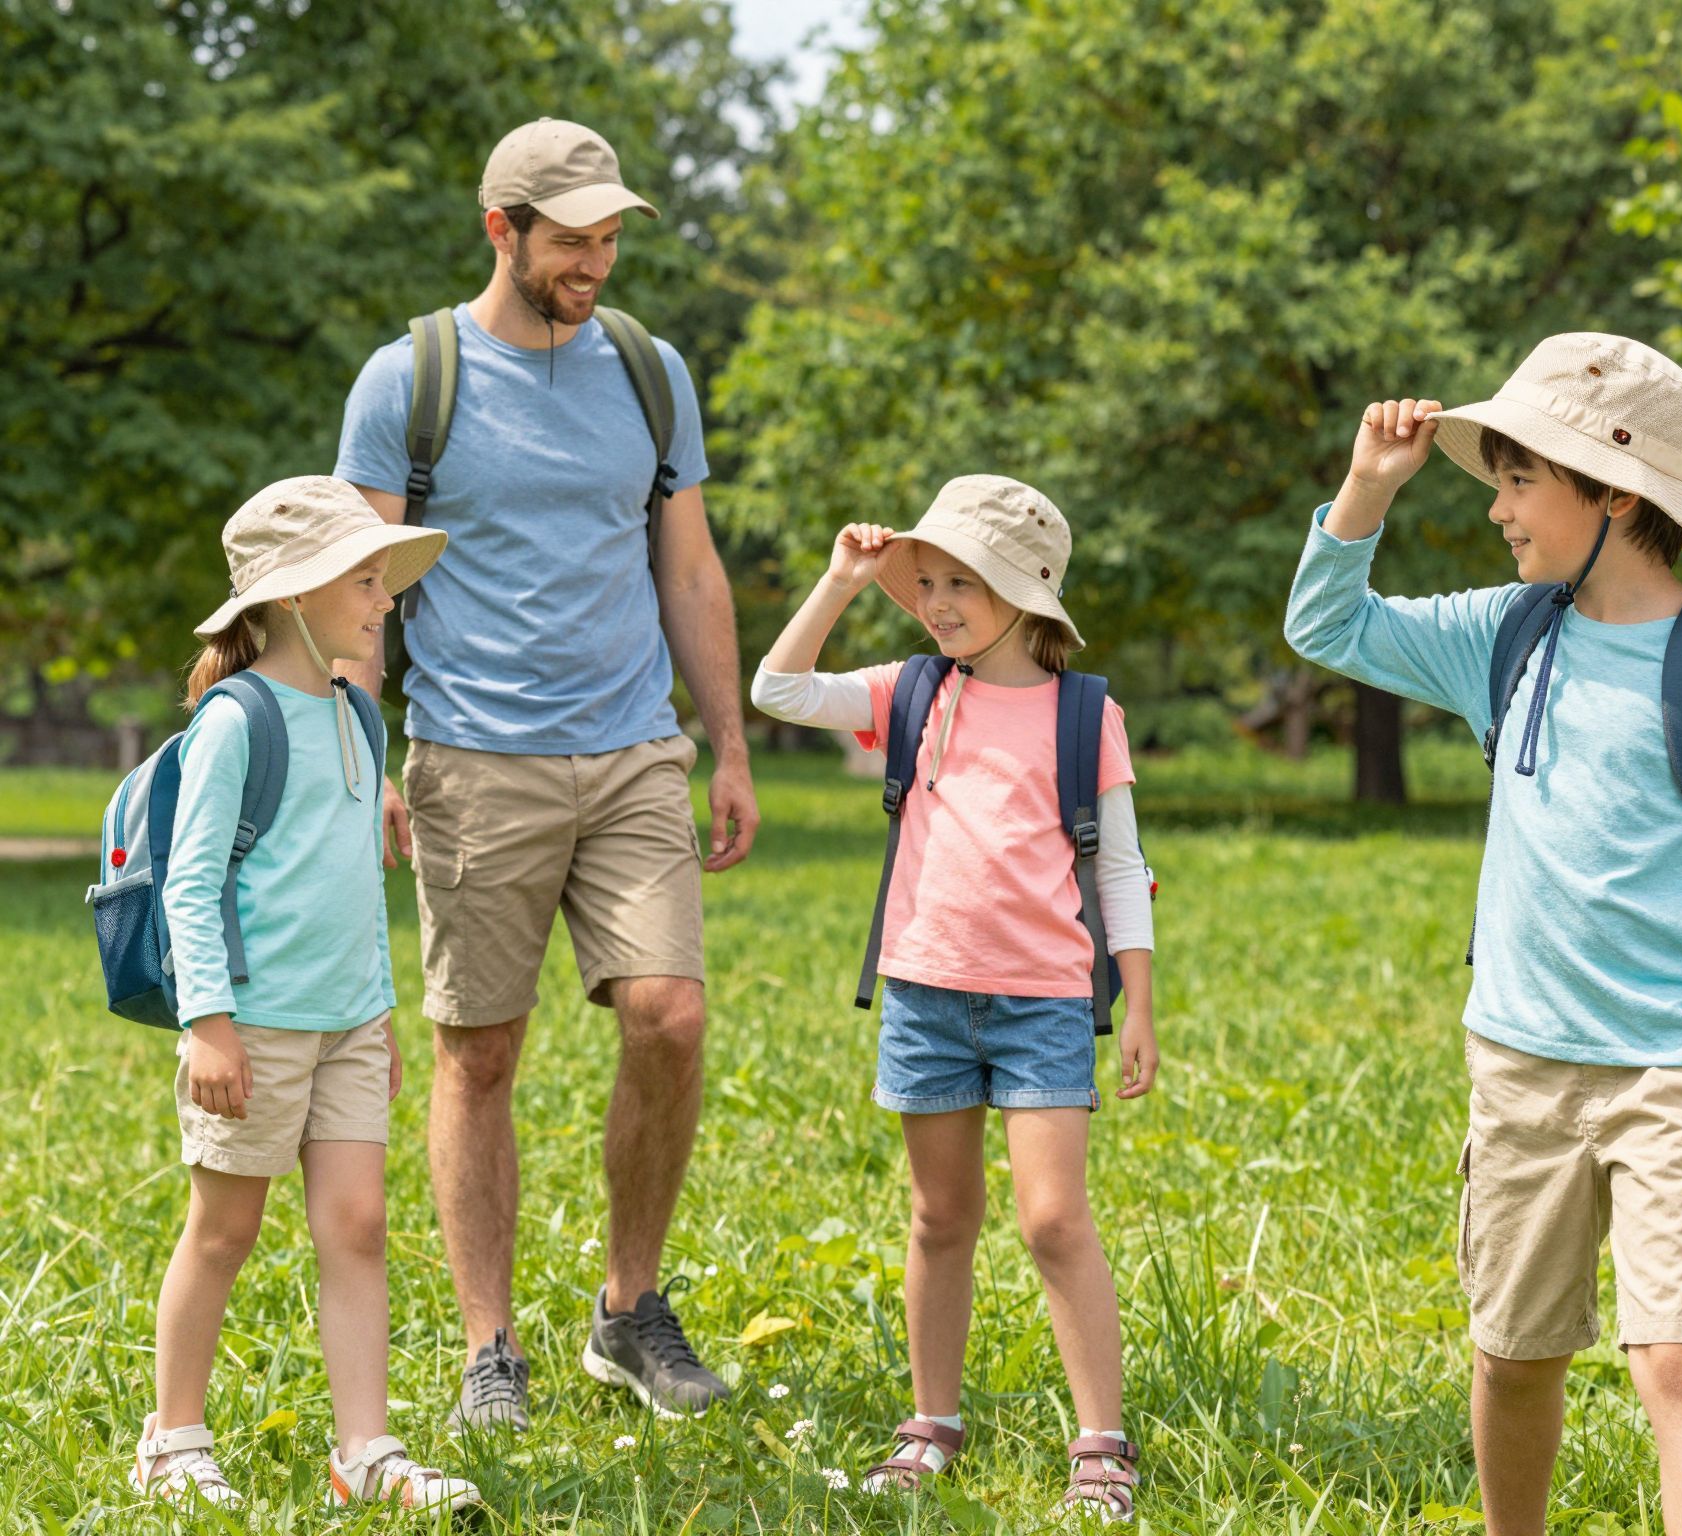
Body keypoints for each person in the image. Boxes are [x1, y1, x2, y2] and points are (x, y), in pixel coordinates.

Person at [1283, 335, 1682, 1536]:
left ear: (1613, 492)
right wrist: (1366, 489)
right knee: (1511, 1355)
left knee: (1681, 1364)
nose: (1498, 508)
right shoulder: (1504, 632)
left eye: (1518, 481)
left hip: (1676, 1069)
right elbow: (1324, 628)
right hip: (1519, 1065)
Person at [332, 118, 759, 1431]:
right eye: (572, 239)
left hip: (633, 748)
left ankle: (629, 1316)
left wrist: (729, 739)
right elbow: (358, 587)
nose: (597, 259)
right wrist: (365, 758)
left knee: (670, 1017)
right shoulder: (411, 381)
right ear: (500, 231)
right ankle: (487, 1350)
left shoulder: (648, 369)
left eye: (610, 234)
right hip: (473, 758)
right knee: (480, 1055)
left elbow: (684, 565)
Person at [751, 477, 1157, 1522]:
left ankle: (1101, 1443)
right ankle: (930, 1422)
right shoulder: (911, 691)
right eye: (924, 582)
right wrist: (841, 583)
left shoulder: (1083, 715)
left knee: (1053, 1218)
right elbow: (778, 690)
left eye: (960, 583)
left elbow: (1117, 870)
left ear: (1024, 593)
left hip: (1042, 1001)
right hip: (925, 992)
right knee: (940, 1216)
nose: (934, 602)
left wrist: (1140, 1004)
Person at [135, 477, 478, 1512]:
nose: (385, 597)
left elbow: (355, 890)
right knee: (224, 1229)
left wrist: (378, 1016)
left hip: (344, 1029)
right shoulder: (236, 722)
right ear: (295, 595)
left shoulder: (357, 717)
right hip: (251, 1028)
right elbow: (188, 885)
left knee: (358, 1226)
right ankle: (172, 1441)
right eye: (365, 579)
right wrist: (208, 1025)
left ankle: (363, 1454)